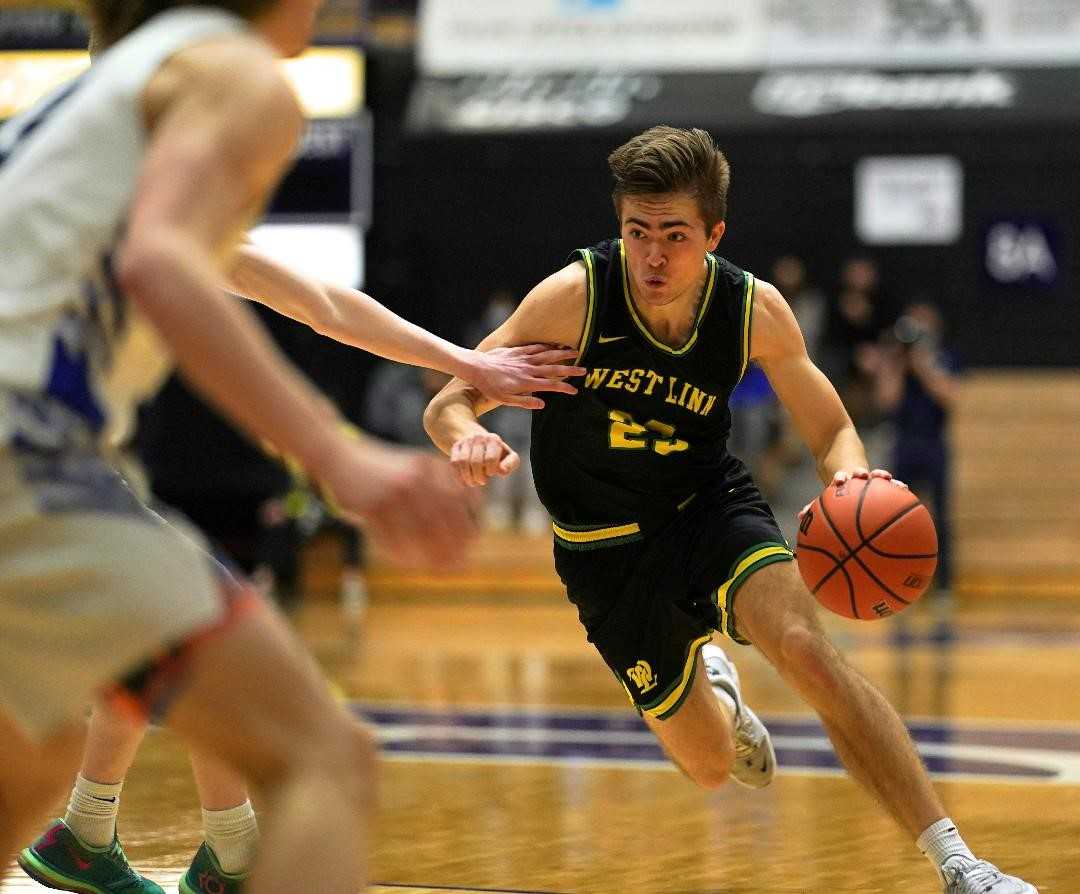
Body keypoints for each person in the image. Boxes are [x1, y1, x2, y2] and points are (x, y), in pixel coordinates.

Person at [0, 4, 578, 894]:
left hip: (37, 459)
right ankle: (220, 856)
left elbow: (317, 301)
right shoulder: (234, 73)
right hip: (24, 449)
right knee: (322, 760)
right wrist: (340, 455)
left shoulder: (93, 114)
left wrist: (461, 362)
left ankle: (108, 839)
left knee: (29, 763)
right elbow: (159, 266)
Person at [423, 126, 1037, 894]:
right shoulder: (573, 299)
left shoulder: (752, 310)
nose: (651, 256)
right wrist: (466, 436)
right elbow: (450, 400)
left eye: (673, 236)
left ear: (714, 234)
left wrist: (848, 480)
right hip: (601, 550)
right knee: (712, 769)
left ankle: (960, 864)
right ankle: (716, 688)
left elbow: (833, 427)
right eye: (636, 232)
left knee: (808, 653)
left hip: (705, 505)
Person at [873, 300, 960, 594]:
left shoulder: (944, 358)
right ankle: (898, 581)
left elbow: (949, 397)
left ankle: (943, 583)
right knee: (898, 518)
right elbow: (887, 400)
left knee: (940, 516)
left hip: (934, 443)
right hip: (904, 443)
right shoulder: (897, 361)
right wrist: (896, 363)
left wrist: (923, 364)